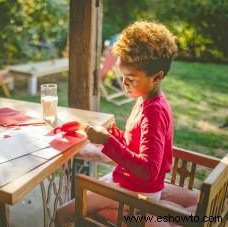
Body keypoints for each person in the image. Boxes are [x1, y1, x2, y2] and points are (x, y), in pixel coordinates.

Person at [55, 21, 178, 226]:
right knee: (85, 192)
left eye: (131, 78)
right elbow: (135, 143)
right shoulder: (147, 100)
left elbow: (148, 171)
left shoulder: (153, 113)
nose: (124, 83)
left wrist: (106, 141)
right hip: (128, 182)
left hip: (138, 194)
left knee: (62, 213)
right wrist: (112, 134)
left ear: (157, 77)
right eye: (122, 76)